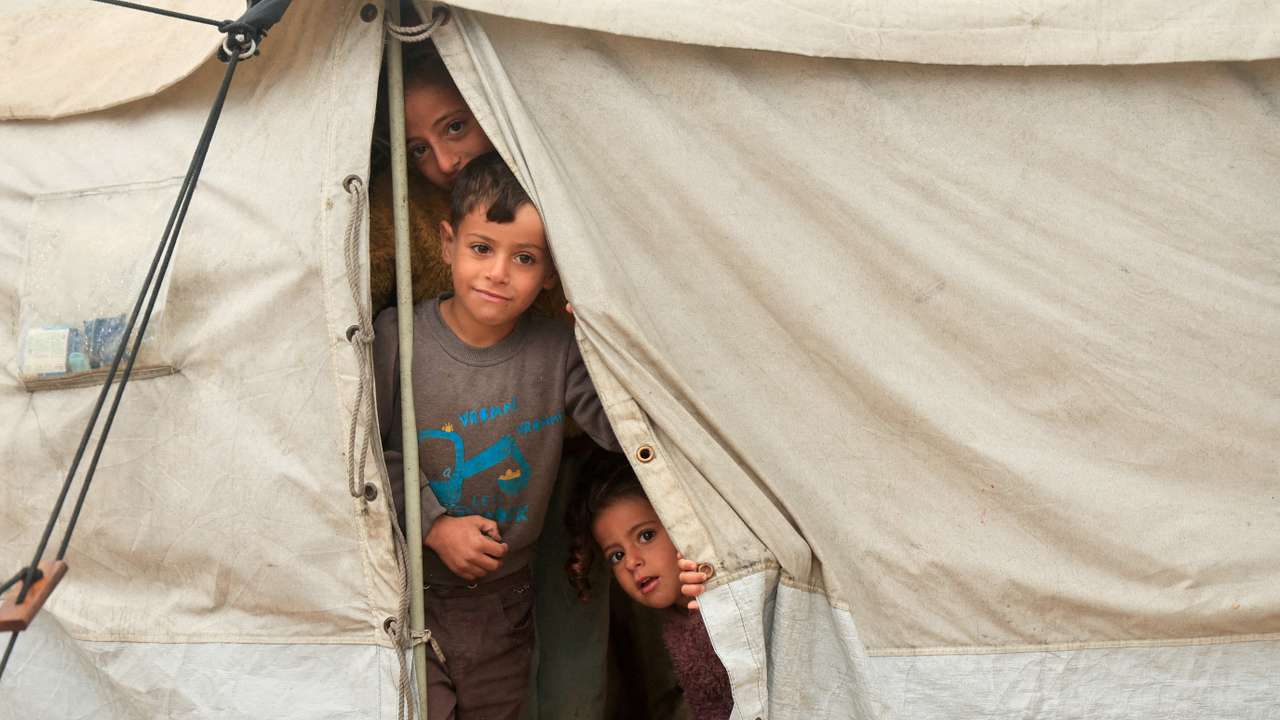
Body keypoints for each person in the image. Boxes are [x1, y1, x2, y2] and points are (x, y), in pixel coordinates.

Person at [372, 152, 620, 720]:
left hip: (504, 601)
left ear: (552, 271)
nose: (498, 273)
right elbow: (364, 455)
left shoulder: (557, 352)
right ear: (446, 243)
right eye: (481, 248)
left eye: (525, 258)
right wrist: (433, 526)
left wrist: (602, 326)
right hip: (405, 595)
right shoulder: (397, 338)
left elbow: (617, 433)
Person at [566, 450, 734, 720]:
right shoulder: (676, 623)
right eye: (616, 555)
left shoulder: (730, 597)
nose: (631, 562)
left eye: (646, 535)